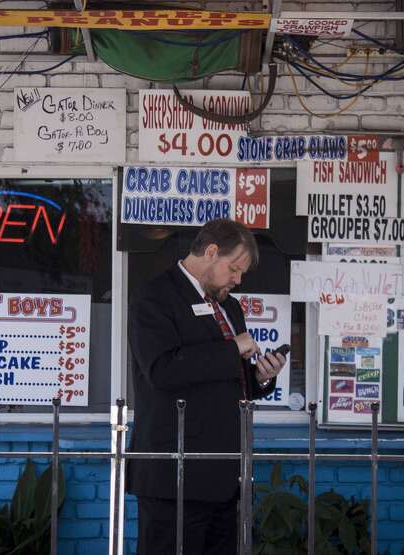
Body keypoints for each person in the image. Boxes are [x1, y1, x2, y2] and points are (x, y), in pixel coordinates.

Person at [127, 219, 287, 555]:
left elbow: (226, 378)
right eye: (234, 269)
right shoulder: (154, 297)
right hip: (174, 474)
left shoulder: (229, 306)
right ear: (211, 252)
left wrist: (260, 377)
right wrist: (232, 349)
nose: (238, 280)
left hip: (226, 476)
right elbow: (161, 370)